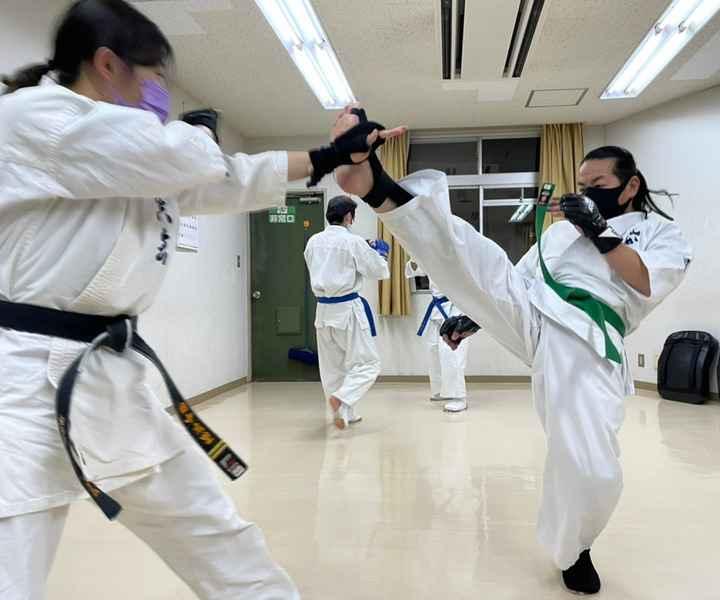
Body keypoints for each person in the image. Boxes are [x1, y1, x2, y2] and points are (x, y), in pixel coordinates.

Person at [0, 2, 404, 598]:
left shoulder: (137, 154)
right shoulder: (40, 116)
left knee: (217, 533)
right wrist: (196, 135)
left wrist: (330, 158)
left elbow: (223, 179)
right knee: (13, 561)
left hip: (111, 377)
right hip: (24, 383)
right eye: (153, 77)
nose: (161, 92)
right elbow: (185, 157)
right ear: (107, 63)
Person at [332, 106, 692, 595]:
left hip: (588, 339)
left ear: (629, 186)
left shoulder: (657, 233)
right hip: (535, 314)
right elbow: (512, 280)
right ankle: (377, 186)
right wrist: (473, 315)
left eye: (598, 183)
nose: (586, 192)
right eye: (582, 184)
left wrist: (599, 230)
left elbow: (645, 282)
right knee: (474, 252)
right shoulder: (559, 232)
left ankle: (576, 547)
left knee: (593, 468)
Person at [304, 196, 390, 429]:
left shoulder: (313, 241)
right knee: (368, 364)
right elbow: (378, 271)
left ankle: (343, 413)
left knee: (333, 367)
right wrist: (380, 252)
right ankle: (342, 399)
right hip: (348, 309)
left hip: (323, 311)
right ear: (349, 217)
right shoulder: (353, 242)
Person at [405, 259, 470, 412]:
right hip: (437, 307)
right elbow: (417, 269)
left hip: (455, 308)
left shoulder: (459, 251)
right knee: (433, 349)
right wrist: (415, 259)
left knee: (452, 353)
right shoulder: (432, 249)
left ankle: (458, 397)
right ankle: (441, 390)